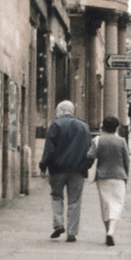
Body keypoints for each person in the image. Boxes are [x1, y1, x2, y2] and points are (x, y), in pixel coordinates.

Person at [39, 101, 92, 242]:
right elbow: (89, 149)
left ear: (61, 111)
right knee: (74, 200)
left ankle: (58, 224)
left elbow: (49, 149)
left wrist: (43, 166)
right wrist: (87, 165)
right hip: (78, 169)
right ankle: (72, 232)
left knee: (56, 196)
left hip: (57, 168)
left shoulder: (56, 125)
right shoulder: (84, 126)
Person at [86, 116, 131, 246]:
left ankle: (108, 232)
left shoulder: (97, 140)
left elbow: (90, 155)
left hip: (103, 176)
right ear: (116, 128)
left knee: (105, 205)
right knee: (117, 204)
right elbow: (126, 161)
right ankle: (111, 231)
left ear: (102, 126)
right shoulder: (121, 141)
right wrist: (125, 176)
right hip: (119, 176)